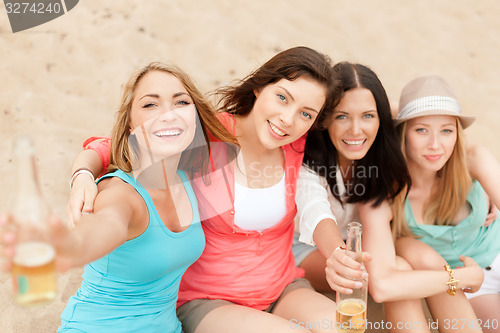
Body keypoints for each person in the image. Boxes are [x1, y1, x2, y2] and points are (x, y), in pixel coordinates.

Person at [65, 46, 343, 333]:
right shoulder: (209, 134)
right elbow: (117, 143)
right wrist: (83, 174)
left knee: (345, 327)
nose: (288, 119)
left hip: (282, 287)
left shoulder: (297, 146)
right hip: (209, 300)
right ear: (260, 87)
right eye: (282, 98)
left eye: (306, 114)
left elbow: (317, 202)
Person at [1, 62, 237, 332]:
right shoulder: (121, 193)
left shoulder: (188, 177)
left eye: (181, 102)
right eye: (150, 105)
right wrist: (70, 247)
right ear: (129, 125)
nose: (168, 114)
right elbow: (107, 223)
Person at [295, 64, 485, 332]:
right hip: (317, 248)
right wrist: (461, 277)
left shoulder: (381, 150)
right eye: (342, 117)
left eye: (368, 116)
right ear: (325, 119)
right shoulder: (310, 162)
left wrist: (480, 193)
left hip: (364, 241)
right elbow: (316, 212)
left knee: (423, 256)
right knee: (392, 268)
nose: (356, 129)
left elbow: (417, 118)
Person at [391, 75, 500, 333]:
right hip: (469, 282)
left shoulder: (472, 159)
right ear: (403, 133)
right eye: (421, 130)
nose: (435, 145)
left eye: (447, 130)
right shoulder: (392, 193)